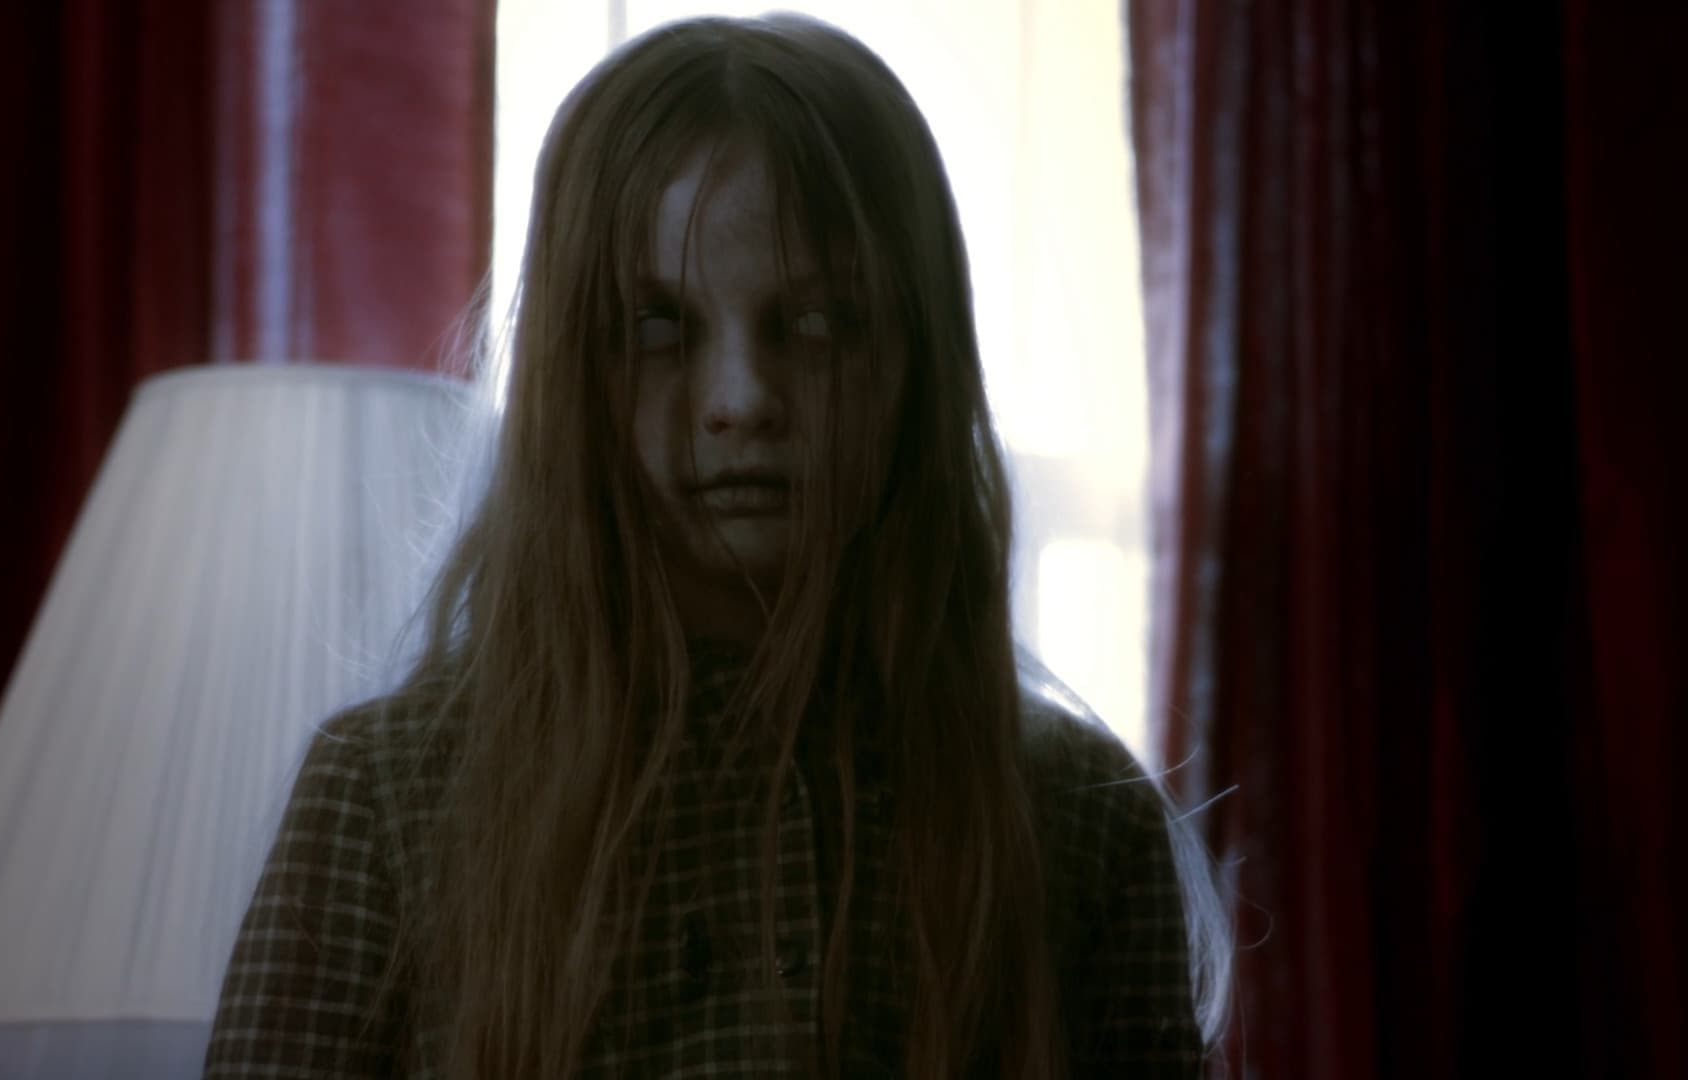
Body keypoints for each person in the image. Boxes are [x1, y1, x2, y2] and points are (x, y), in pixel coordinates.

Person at [203, 12, 1225, 1078]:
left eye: (817, 324)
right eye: (658, 329)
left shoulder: (1073, 818)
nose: (740, 399)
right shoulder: (391, 796)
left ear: (914, 361)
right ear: (572, 373)